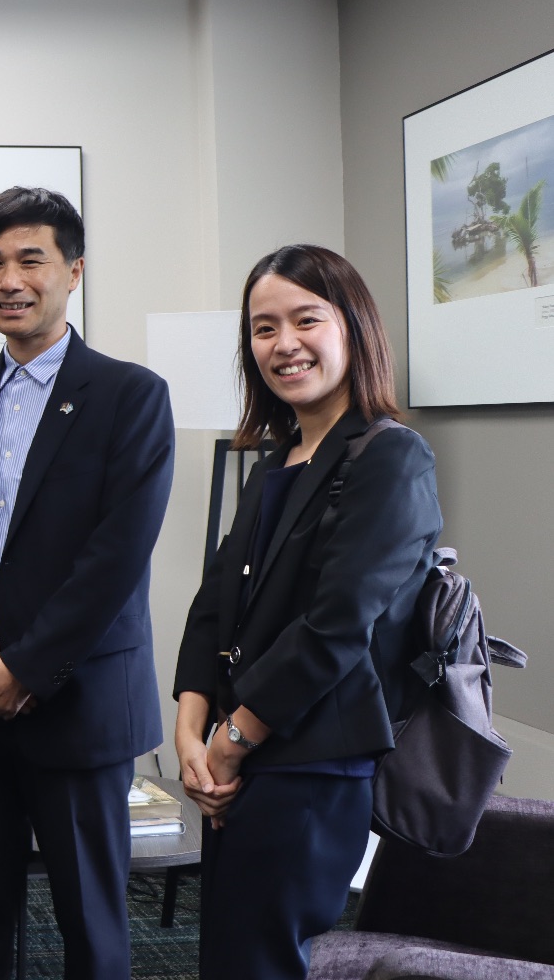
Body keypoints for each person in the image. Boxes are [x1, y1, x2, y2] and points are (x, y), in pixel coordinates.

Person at [0, 186, 174, 980]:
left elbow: (116, 557)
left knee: (90, 920)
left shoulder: (131, 395)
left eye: (32, 259)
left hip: (78, 702)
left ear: (74, 270)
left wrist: (24, 668)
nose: (9, 279)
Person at [173, 244, 442, 980]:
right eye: (263, 328)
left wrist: (228, 743)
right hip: (244, 754)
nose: (283, 344)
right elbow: (213, 604)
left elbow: (337, 627)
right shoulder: (275, 461)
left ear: (353, 327)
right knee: (231, 951)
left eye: (305, 319)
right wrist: (189, 728)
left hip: (313, 762)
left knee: (262, 958)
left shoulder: (392, 457)